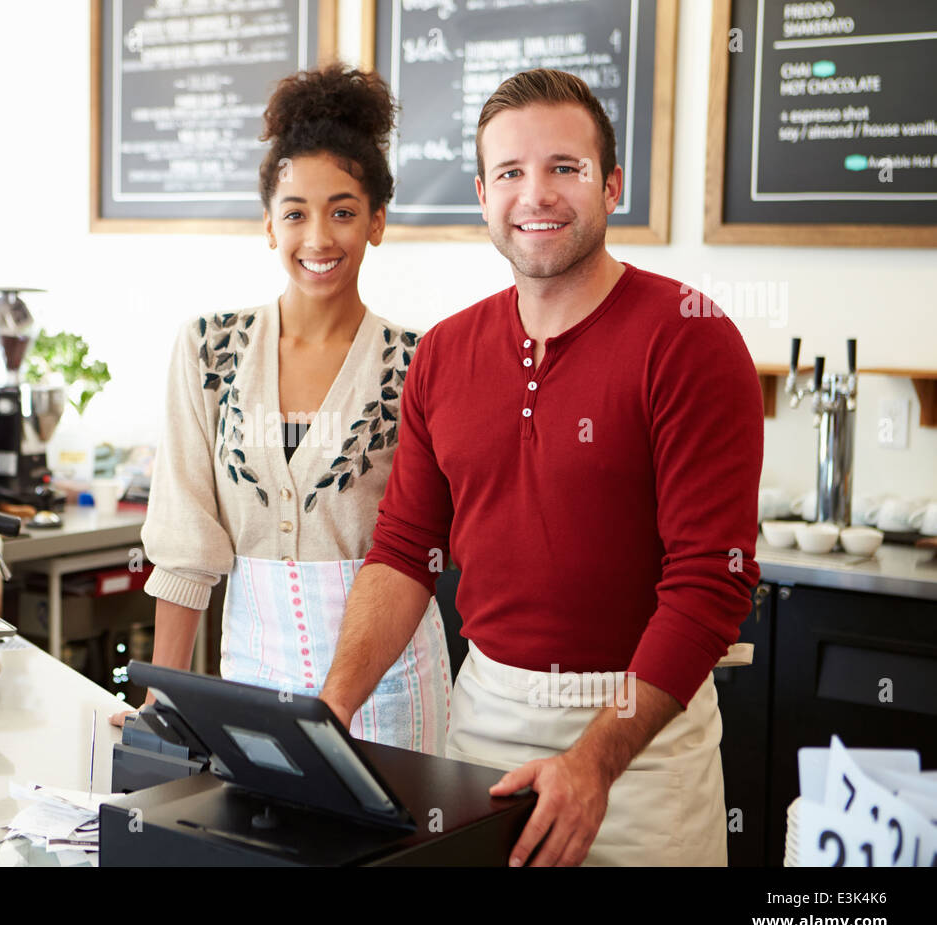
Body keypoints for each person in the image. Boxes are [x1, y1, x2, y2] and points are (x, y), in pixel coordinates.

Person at [320, 68, 764, 864]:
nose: (538, 195)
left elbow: (711, 581)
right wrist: (332, 708)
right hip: (484, 719)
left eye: (566, 167)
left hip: (643, 751)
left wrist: (593, 763)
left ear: (612, 185)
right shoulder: (444, 354)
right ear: (484, 196)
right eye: (512, 173)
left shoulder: (691, 338)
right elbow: (404, 550)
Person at [121, 65, 452, 754]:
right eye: (296, 212)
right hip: (253, 680)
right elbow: (186, 545)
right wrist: (160, 701)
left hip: (390, 688)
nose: (318, 238)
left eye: (343, 210)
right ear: (268, 224)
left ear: (378, 222)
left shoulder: (420, 362)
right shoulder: (209, 350)